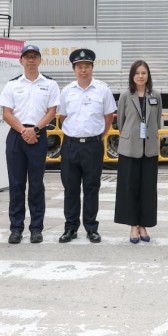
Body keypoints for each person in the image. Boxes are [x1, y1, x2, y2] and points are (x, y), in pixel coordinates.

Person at [0, 44, 59, 244]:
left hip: (39, 136)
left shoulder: (50, 84)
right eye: (27, 57)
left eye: (34, 56)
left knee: (36, 185)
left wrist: (35, 130)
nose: (31, 60)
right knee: (16, 184)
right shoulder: (12, 85)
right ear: (21, 61)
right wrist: (24, 131)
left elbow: (52, 112)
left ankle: (36, 228)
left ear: (40, 60)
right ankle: (16, 228)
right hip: (17, 136)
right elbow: (6, 113)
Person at [58, 48, 116, 244]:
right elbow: (62, 117)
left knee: (92, 188)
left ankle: (91, 228)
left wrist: (101, 134)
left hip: (92, 145)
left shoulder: (103, 90)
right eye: (79, 67)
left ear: (92, 68)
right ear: (74, 69)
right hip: (71, 145)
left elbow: (108, 116)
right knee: (71, 188)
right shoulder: (67, 91)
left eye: (87, 66)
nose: (83, 70)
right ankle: (70, 228)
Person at [114, 60, 162, 243]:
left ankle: (144, 225)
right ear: (132, 76)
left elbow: (157, 122)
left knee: (148, 189)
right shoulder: (126, 96)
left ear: (148, 75)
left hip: (149, 149)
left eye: (144, 73)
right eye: (137, 73)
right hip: (130, 149)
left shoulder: (155, 95)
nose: (141, 76)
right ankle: (133, 226)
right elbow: (121, 122)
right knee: (130, 187)